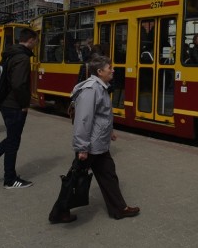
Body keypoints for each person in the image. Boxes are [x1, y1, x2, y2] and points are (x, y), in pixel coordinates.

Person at [60, 55, 140, 221]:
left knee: (109, 175)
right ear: (99, 71)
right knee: (74, 178)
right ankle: (59, 212)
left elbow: (101, 116)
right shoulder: (91, 90)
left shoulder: (101, 87)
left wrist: (109, 131)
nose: (113, 70)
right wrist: (82, 147)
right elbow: (83, 119)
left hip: (99, 143)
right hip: (90, 146)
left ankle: (119, 209)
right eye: (109, 68)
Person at [0, 28, 39, 188]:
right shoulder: (22, 58)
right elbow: (18, 84)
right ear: (30, 40)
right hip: (14, 105)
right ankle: (9, 179)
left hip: (5, 102)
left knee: (11, 138)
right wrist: (24, 104)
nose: (37, 44)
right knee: (13, 141)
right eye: (36, 41)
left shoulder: (9, 54)